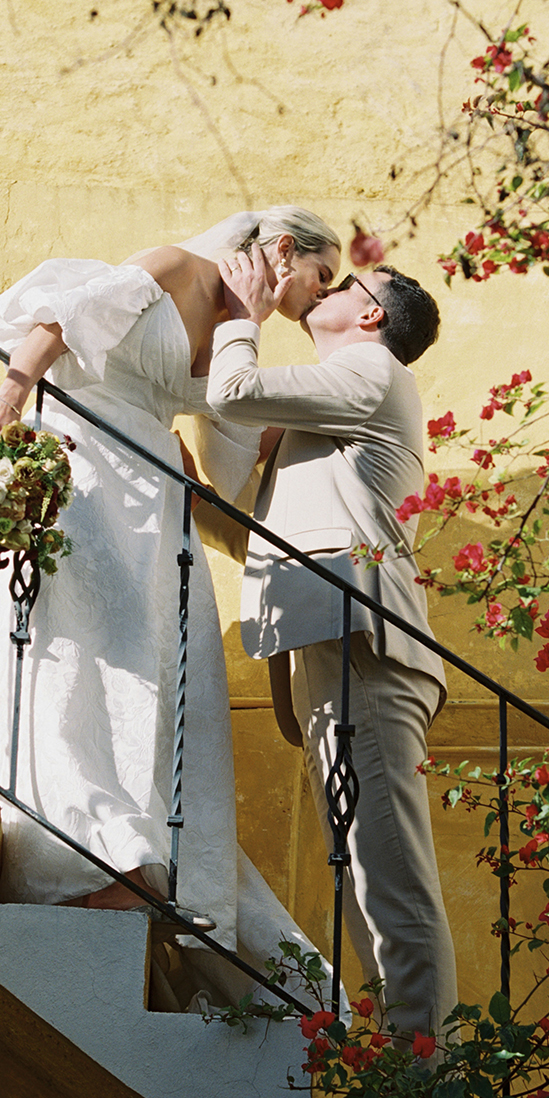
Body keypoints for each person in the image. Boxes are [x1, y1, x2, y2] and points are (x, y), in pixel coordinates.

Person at [0, 208, 340, 999]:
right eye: (321, 274)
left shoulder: (243, 325)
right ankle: (80, 852)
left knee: (158, 665)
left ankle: (141, 854)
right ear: (283, 251)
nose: (322, 293)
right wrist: (11, 390)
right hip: (85, 463)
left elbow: (231, 462)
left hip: (153, 501)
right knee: (77, 649)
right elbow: (67, 317)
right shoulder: (177, 266)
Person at [204, 248, 457, 1038]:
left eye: (348, 283)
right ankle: (405, 1074)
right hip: (337, 644)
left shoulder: (374, 372)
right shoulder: (331, 417)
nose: (332, 286)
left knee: (390, 885)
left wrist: (244, 315)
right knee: (365, 884)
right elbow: (265, 540)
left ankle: (429, 1097)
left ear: (372, 315)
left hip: (367, 650)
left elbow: (234, 387)